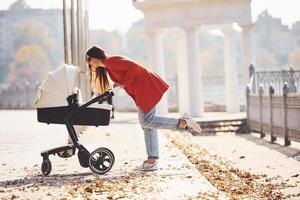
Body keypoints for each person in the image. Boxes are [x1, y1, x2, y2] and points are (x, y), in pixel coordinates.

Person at [86, 46, 201, 171]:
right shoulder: (109, 66)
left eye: (89, 59)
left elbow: (134, 67)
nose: (89, 62)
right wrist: (121, 84)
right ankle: (151, 161)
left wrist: (124, 83)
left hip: (146, 86)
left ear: (95, 57)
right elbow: (128, 74)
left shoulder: (111, 61)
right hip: (143, 88)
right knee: (147, 124)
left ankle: (183, 122)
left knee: (146, 121)